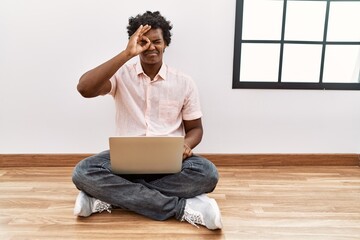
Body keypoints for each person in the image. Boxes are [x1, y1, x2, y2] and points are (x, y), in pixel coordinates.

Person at [72, 11, 222, 230]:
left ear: (166, 44)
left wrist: (187, 144)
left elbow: (196, 129)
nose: (151, 47)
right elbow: (84, 88)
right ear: (135, 43)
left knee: (207, 174)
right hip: (125, 161)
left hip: (170, 161)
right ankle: (182, 207)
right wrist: (126, 54)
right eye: (144, 42)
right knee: (83, 172)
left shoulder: (184, 82)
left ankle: (107, 197)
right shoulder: (121, 75)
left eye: (157, 41)